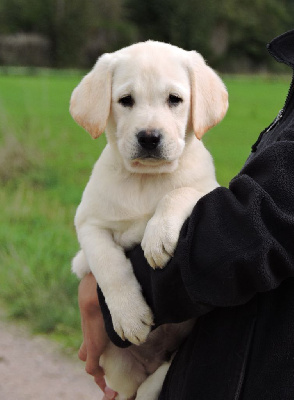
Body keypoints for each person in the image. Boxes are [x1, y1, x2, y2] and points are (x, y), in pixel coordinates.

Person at [78, 30, 294, 400]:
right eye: (126, 100)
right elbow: (91, 225)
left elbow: (247, 226)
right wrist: (109, 289)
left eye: (174, 100)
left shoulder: (195, 173)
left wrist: (99, 299)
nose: (150, 128)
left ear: (197, 103)